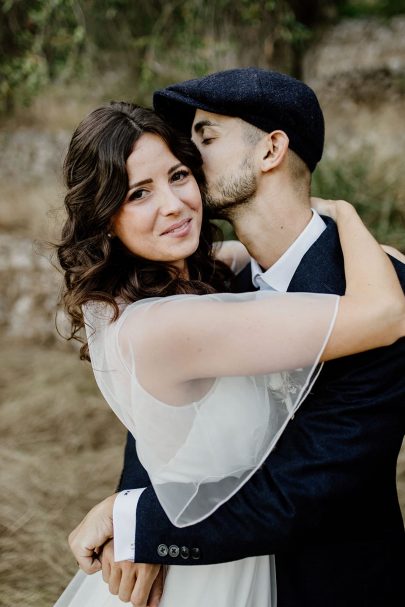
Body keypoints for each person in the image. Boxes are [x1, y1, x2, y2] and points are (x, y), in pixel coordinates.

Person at [56, 89, 405, 607]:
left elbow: (304, 486)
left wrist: (134, 518)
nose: (176, 197)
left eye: (183, 167)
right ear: (106, 215)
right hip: (207, 579)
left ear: (270, 151)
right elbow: (155, 440)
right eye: (138, 194)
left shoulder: (206, 276)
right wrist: (139, 519)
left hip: (329, 580)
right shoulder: (174, 318)